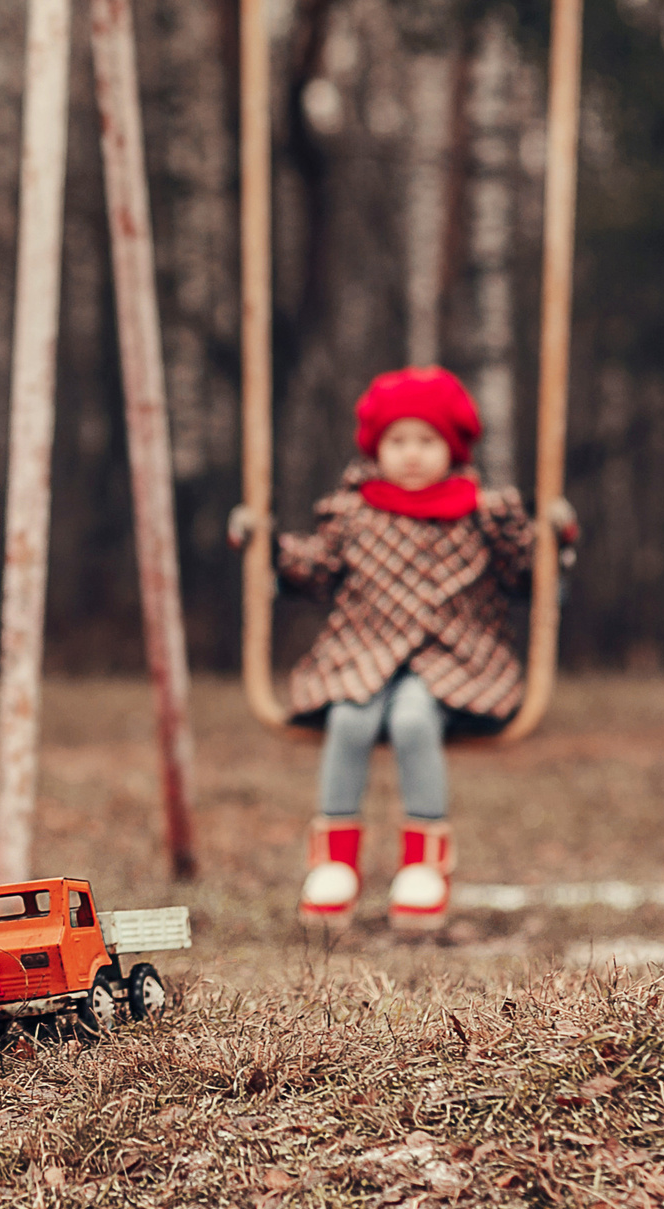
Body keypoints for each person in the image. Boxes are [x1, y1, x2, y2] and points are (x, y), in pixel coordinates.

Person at [241, 367, 573, 931]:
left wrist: (556, 540)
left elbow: (526, 578)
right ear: (377, 448)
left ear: (454, 448)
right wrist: (265, 545)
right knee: (350, 718)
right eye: (398, 442)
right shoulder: (353, 513)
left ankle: (423, 867)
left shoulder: (485, 513)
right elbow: (314, 570)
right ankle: (334, 866)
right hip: (362, 652)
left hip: (454, 658)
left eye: (427, 441)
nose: (412, 455)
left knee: (415, 720)